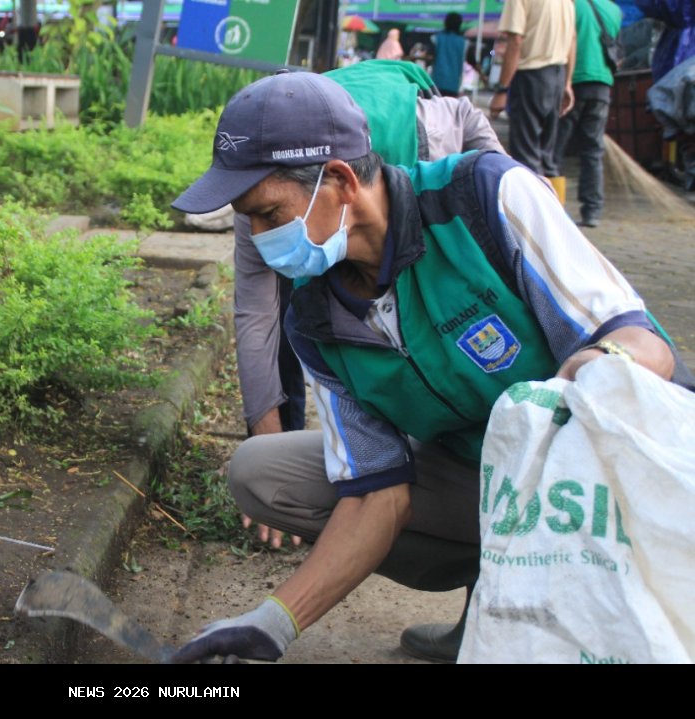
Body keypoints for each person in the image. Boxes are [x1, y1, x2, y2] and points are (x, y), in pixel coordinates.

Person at [170, 71, 686, 663]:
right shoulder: (315, 318)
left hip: (610, 478)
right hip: (493, 485)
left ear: (337, 180)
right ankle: (495, 597)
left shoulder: (485, 197)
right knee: (262, 471)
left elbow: (644, 345)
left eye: (267, 214)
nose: (259, 239)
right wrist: (272, 623)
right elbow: (377, 492)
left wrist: (590, 371)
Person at [234, 61, 503, 491]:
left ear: (340, 181)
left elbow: (464, 118)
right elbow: (255, 311)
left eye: (268, 216)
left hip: (416, 146)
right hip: (316, 187)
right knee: (299, 312)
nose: (258, 230)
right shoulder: (260, 190)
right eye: (255, 217)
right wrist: (267, 436)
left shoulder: (425, 146)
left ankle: (447, 428)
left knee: (433, 313)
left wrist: (509, 192)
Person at [553, 0, 623, 228]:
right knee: (592, 151)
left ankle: (552, 207)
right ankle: (592, 211)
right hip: (602, 85)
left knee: (556, 148)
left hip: (573, 84)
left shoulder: (571, 5)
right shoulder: (614, 10)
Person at [490, 0, 576, 178]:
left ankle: (531, 204)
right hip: (558, 76)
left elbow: (515, 41)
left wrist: (502, 90)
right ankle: (555, 204)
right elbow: (572, 39)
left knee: (526, 157)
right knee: (547, 157)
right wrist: (567, 82)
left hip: (531, 77)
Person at [432, 12, 470, 96]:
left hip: (436, 83)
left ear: (445, 23)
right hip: (454, 84)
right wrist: (483, 76)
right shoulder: (464, 42)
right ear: (460, 24)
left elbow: (430, 57)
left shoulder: (436, 38)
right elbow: (472, 61)